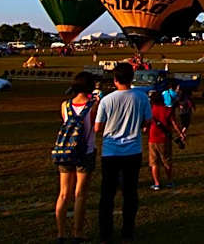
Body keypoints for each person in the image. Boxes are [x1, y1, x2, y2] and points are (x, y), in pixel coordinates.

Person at [95, 62, 151, 243]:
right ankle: (128, 232)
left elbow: (98, 127)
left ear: (115, 79)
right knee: (130, 193)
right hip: (133, 150)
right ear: (131, 78)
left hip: (110, 152)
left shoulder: (106, 100)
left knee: (107, 194)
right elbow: (147, 121)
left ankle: (105, 233)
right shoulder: (141, 97)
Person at [55, 72, 98, 244]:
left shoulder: (65, 105)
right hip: (85, 151)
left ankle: (60, 233)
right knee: (80, 194)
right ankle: (77, 232)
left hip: (65, 152)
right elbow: (95, 127)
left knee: (64, 193)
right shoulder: (93, 105)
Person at [147, 90, 185, 191]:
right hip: (164, 139)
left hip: (152, 138)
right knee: (166, 161)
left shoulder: (150, 110)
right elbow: (174, 124)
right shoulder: (167, 110)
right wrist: (180, 134)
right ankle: (169, 181)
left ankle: (157, 183)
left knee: (154, 162)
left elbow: (146, 123)